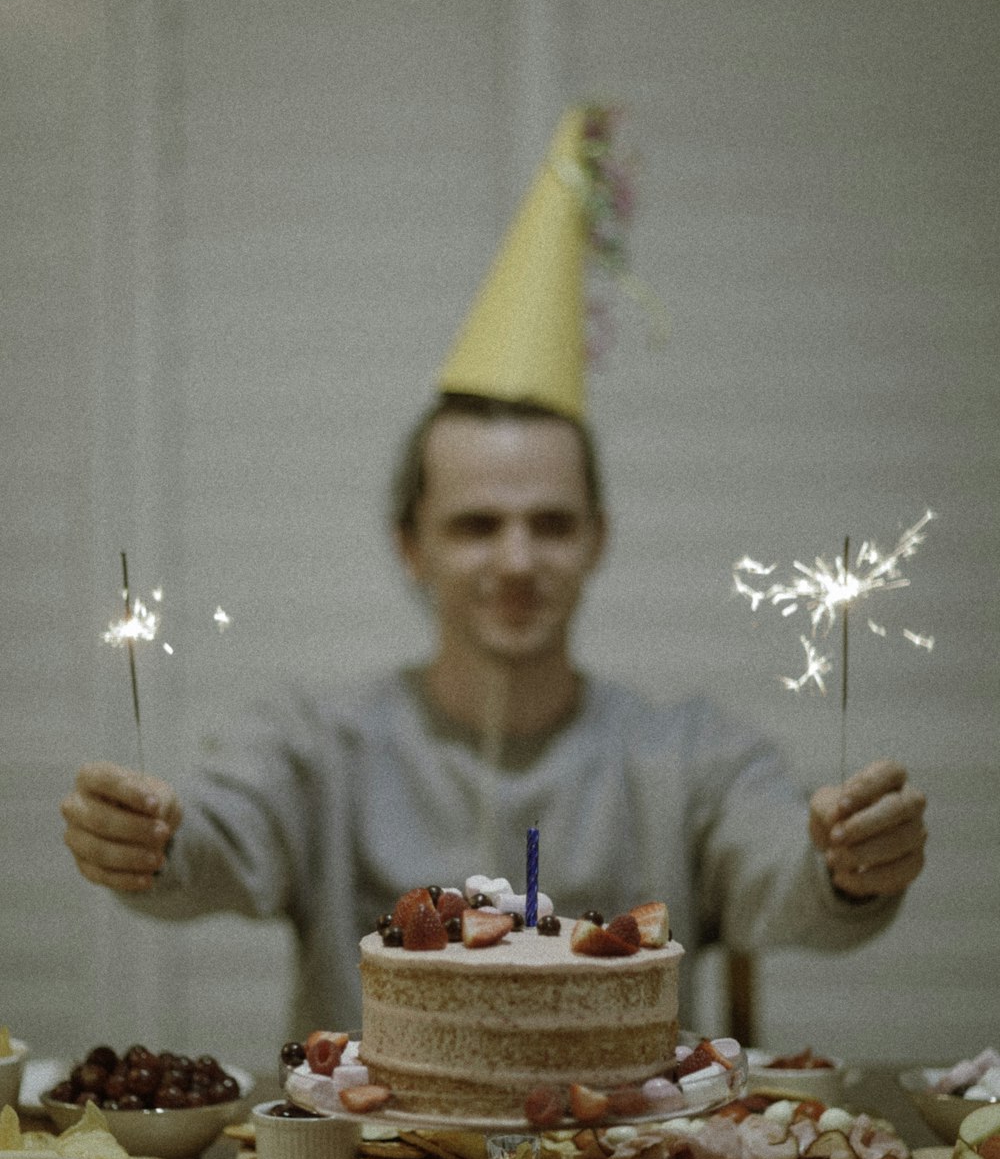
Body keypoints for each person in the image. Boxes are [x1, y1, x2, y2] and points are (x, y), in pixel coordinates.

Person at [60, 108, 927, 1038]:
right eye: (477, 524)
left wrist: (845, 865)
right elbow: (212, 844)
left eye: (550, 523)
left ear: (597, 538)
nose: (517, 559)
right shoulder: (319, 746)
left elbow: (784, 876)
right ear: (411, 543)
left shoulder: (689, 756)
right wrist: (149, 844)